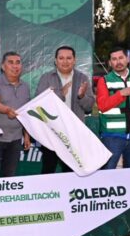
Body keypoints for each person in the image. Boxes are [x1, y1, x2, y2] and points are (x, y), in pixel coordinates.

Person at [35, 45, 95, 174]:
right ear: (55, 61)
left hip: (74, 133)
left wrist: (81, 96)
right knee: (48, 169)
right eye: (61, 58)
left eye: (69, 58)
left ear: (74, 60)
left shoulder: (82, 78)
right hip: (52, 132)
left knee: (72, 171)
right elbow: (39, 105)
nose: (65, 61)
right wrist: (60, 94)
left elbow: (89, 107)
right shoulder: (46, 78)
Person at [0, 52, 31, 178]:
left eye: (18, 62)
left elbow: (26, 113)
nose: (15, 66)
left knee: (9, 177)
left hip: (15, 139)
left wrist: (26, 135)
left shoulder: (25, 87)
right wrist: (7, 110)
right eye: (11, 62)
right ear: (3, 66)